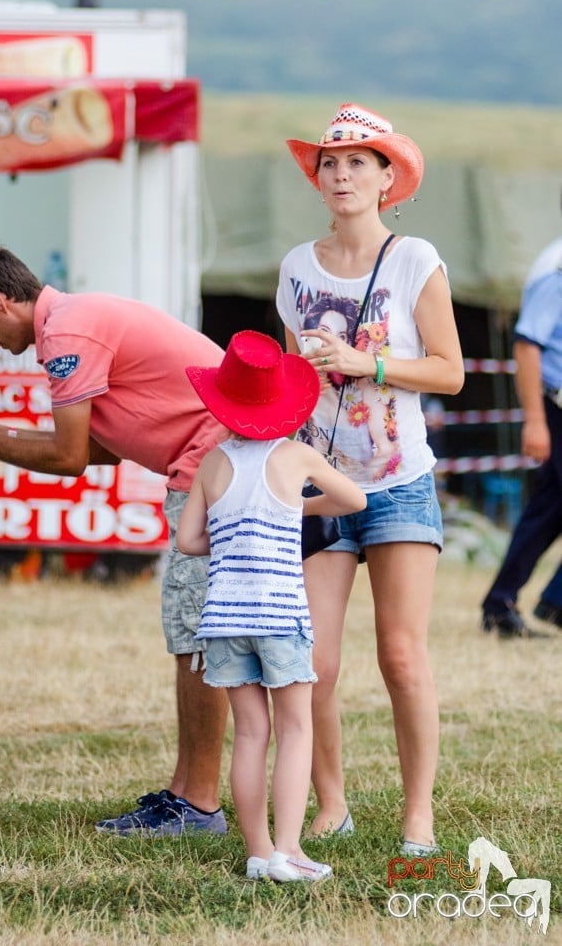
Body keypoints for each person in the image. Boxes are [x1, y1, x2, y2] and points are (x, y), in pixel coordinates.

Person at [0, 243, 231, 836]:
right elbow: (100, 449)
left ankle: (199, 806)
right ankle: (185, 794)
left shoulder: (68, 334)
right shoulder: (70, 323)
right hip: (209, 464)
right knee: (189, 637)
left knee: (198, 639)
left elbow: (71, 458)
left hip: (211, 467)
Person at [276, 102, 464, 855]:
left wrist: (370, 363)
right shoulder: (295, 266)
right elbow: (291, 381)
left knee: (401, 655)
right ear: (317, 177)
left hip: (399, 482)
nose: (342, 173)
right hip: (319, 481)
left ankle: (418, 815)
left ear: (389, 178)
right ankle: (331, 803)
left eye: (359, 161)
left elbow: (449, 372)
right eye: (330, 161)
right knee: (313, 661)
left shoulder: (417, 259)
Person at [176, 330, 367, 880]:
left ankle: (258, 854)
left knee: (251, 734)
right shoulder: (296, 457)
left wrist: (233, 532)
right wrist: (300, 511)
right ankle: (290, 850)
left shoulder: (212, 463)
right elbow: (353, 499)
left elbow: (188, 541)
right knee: (295, 730)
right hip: (281, 615)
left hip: (225, 620)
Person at [481, 212, 562, 638]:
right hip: (556, 406)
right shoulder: (557, 268)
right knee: (546, 510)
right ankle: (553, 602)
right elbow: (528, 345)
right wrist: (534, 421)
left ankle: (503, 604)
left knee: (546, 512)